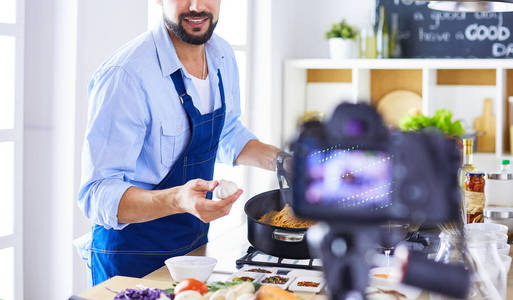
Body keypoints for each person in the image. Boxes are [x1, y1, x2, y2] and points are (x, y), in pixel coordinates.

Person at [78, 0, 283, 285]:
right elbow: (96, 193)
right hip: (130, 259)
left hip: (192, 251)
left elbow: (227, 132)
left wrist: (285, 162)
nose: (197, 6)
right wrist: (178, 200)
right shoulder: (126, 75)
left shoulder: (221, 54)